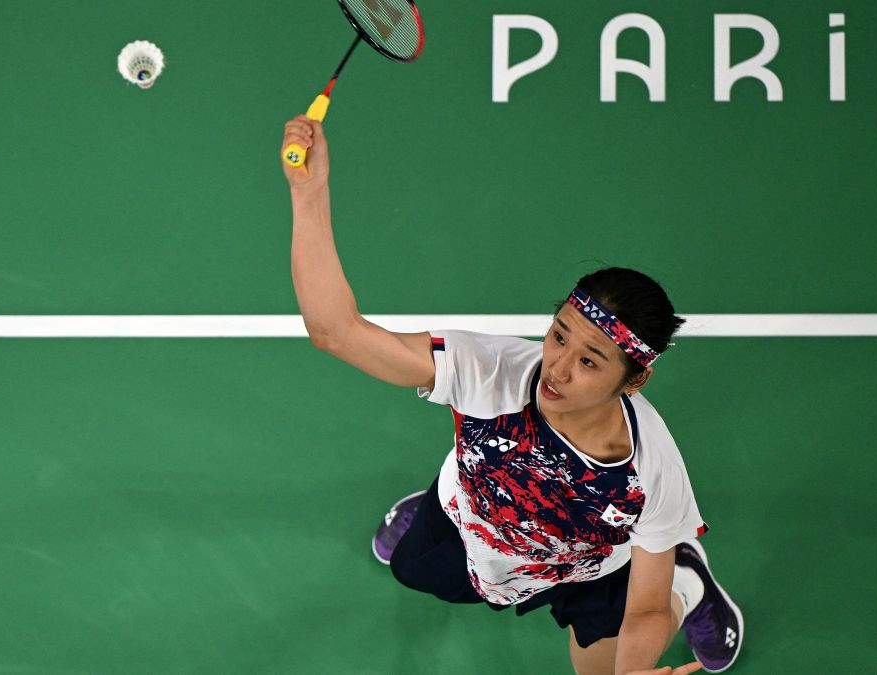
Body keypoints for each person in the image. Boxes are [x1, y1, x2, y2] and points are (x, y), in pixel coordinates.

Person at [281, 114, 744, 675]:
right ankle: (441, 502)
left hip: (591, 563)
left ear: (634, 379)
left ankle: (687, 579)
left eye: (590, 361)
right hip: (473, 521)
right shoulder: (488, 369)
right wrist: (308, 193)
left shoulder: (651, 472)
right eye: (558, 335)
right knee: (408, 569)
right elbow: (337, 332)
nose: (558, 368)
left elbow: (644, 610)